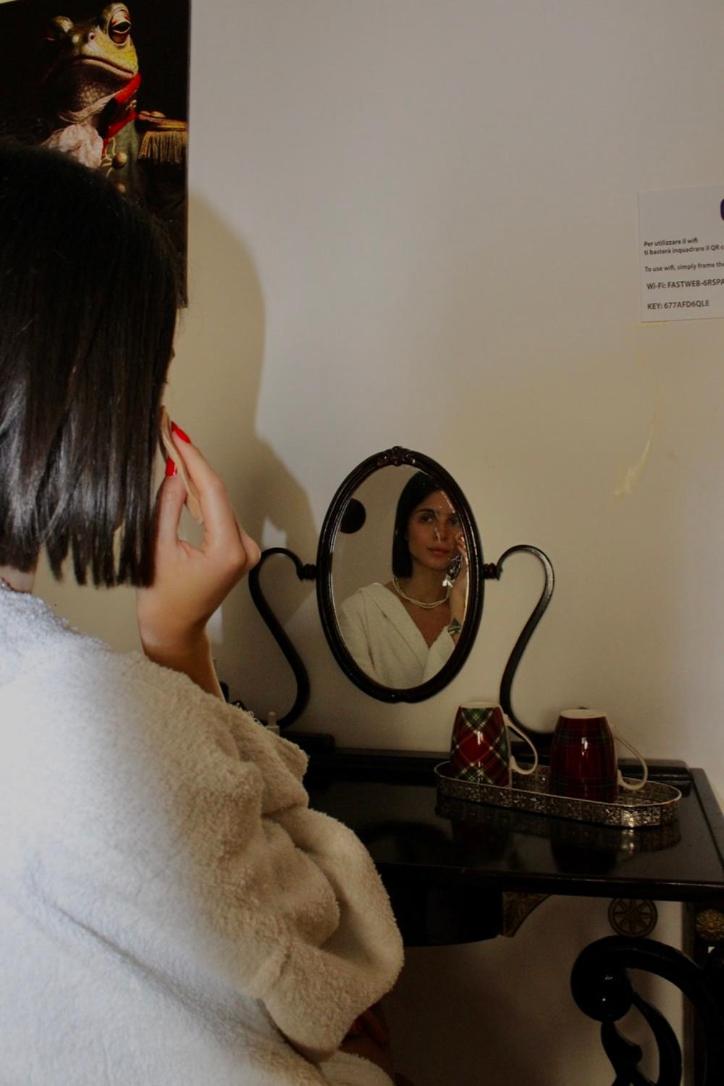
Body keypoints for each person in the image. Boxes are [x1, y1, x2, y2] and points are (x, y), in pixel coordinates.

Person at [0, 142, 406, 1085]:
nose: (152, 411)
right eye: (149, 370)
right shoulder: (80, 722)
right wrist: (179, 651)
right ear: (70, 380)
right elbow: (328, 976)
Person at [338, 472, 467, 688]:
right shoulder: (360, 611)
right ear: (404, 529)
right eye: (427, 518)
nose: (441, 533)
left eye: (453, 521)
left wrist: (458, 600)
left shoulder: (468, 610)